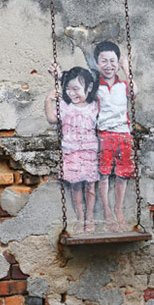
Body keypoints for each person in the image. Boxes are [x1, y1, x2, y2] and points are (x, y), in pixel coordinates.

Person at [45, 65, 100, 234]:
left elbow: (98, 81)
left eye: (76, 89)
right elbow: (52, 119)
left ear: (89, 88)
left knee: (90, 186)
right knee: (76, 187)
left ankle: (90, 218)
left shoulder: (94, 105)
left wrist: (62, 75)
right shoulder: (65, 105)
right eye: (67, 89)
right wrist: (48, 100)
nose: (71, 93)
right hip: (71, 152)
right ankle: (80, 218)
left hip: (89, 151)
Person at [94, 41, 139, 232]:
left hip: (124, 134)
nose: (108, 65)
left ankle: (119, 210)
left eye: (112, 60)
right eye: (104, 61)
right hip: (104, 134)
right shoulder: (95, 86)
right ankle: (106, 211)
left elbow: (135, 92)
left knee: (123, 174)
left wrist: (126, 68)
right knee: (103, 174)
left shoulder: (123, 85)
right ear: (97, 64)